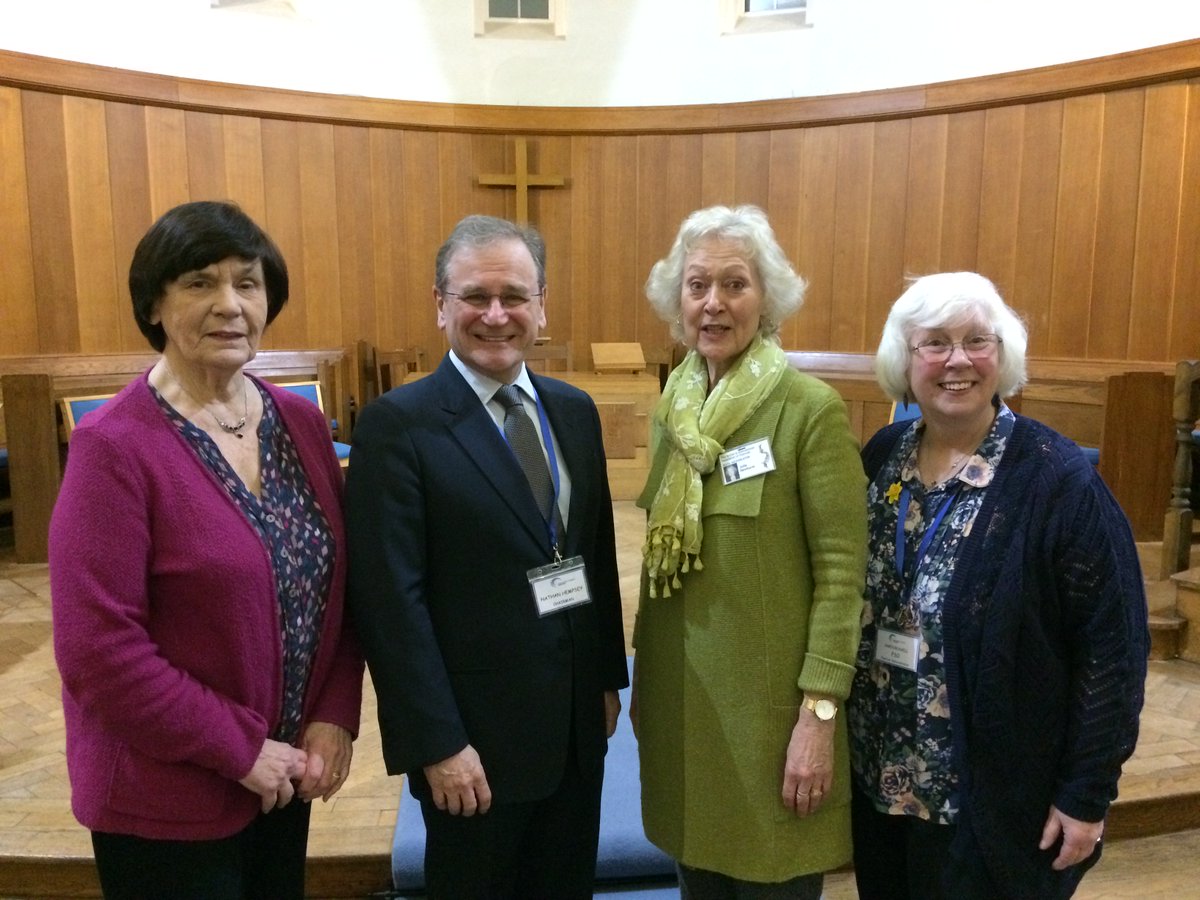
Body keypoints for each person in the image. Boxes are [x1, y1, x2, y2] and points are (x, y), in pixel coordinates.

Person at [49, 200, 363, 900]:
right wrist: (241, 748)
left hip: (283, 783)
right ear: (155, 304)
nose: (229, 305)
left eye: (247, 284)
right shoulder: (115, 448)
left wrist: (334, 715)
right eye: (199, 283)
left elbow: (340, 589)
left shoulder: (302, 425)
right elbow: (99, 651)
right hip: (166, 797)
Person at [345, 214, 628, 900]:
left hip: (571, 731)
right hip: (472, 744)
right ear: (440, 304)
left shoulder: (574, 410)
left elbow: (590, 552)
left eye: (514, 296)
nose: (496, 315)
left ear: (543, 306)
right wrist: (436, 743)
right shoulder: (397, 426)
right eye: (475, 296)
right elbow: (390, 605)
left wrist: (603, 679)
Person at [847, 271, 1149, 899]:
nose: (957, 360)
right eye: (934, 342)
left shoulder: (1057, 482)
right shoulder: (883, 456)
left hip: (992, 809)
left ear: (1002, 355)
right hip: (882, 787)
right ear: (905, 362)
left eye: (976, 341)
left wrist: (1086, 794)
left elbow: (1113, 651)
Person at [632, 204, 868, 899]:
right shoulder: (672, 409)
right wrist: (645, 677)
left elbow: (841, 577)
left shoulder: (808, 410)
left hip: (771, 726)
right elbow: (656, 563)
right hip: (684, 713)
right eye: (697, 284)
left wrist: (819, 716)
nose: (714, 303)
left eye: (735, 284)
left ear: (767, 300)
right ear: (677, 301)